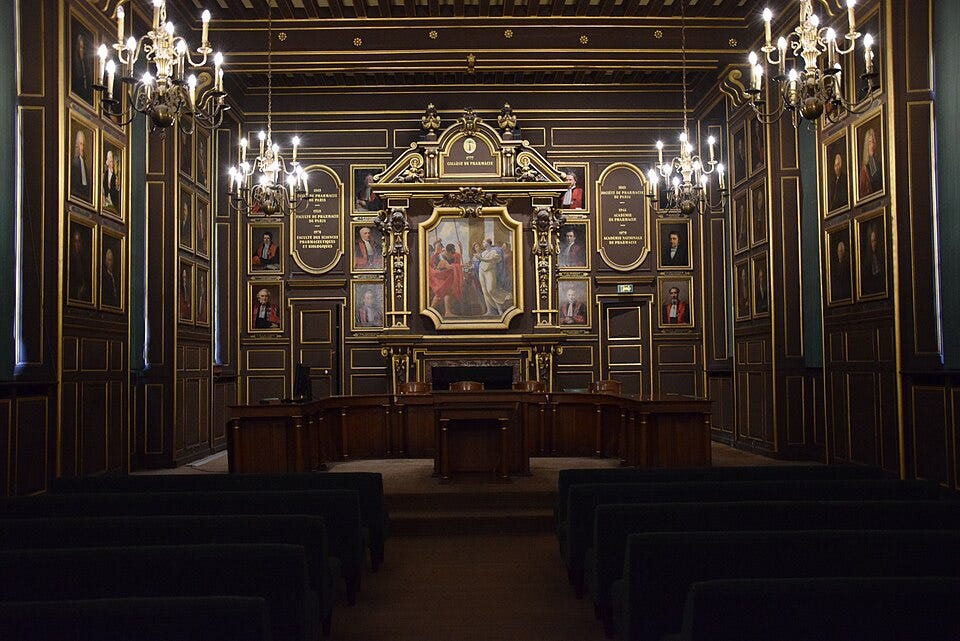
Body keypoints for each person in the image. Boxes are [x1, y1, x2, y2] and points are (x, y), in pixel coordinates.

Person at [428, 242, 464, 317]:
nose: (453, 255)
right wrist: (462, 265)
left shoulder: (451, 254)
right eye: (451, 253)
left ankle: (447, 312)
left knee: (448, 293)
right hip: (440, 277)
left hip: (447, 277)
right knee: (439, 294)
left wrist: (460, 247)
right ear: (448, 252)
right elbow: (449, 267)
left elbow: (458, 256)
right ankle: (431, 310)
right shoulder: (441, 258)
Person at [478, 238, 512, 316]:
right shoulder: (483, 253)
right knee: (485, 291)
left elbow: (491, 260)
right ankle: (490, 311)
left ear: (488, 243)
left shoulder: (495, 251)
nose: (482, 243)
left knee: (491, 290)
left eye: (484, 242)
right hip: (482, 271)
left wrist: (480, 258)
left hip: (490, 271)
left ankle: (500, 310)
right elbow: (481, 261)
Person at [860, 223, 885, 296]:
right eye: (872, 241)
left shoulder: (882, 258)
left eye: (875, 241)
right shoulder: (867, 261)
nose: (874, 244)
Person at [858, 126, 882, 197]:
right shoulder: (864, 169)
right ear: (866, 145)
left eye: (873, 142)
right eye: (869, 142)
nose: (872, 145)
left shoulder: (880, 164)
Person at [68, 228, 90, 302]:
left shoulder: (83, 261)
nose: (77, 244)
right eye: (75, 241)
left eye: (79, 241)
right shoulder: (70, 260)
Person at [70, 129, 91, 202]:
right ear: (77, 145)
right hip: (77, 193)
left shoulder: (84, 162)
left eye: (83, 144)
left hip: (84, 193)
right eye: (80, 144)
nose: (82, 148)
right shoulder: (75, 162)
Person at [71, 30, 92, 103]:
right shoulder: (75, 66)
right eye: (80, 47)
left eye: (83, 48)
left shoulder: (86, 67)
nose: (82, 51)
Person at [102, 149, 120, 215]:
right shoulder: (105, 174)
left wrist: (118, 186)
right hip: (106, 199)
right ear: (108, 162)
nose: (112, 164)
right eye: (110, 162)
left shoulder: (116, 175)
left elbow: (117, 189)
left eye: (113, 162)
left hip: (114, 199)